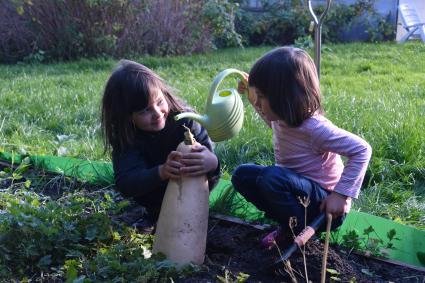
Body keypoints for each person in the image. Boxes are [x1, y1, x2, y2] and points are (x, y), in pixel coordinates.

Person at [233, 47, 372, 248]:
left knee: (271, 178)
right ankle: (288, 226)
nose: (257, 103)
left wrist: (340, 195)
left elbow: (362, 150)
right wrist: (251, 93)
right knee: (242, 176)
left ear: (284, 98)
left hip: (325, 205)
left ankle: (295, 233)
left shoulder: (315, 129)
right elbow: (267, 115)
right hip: (297, 194)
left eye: (261, 97)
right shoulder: (282, 119)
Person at [101, 60, 220, 232]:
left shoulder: (186, 120)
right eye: (144, 111)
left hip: (193, 191)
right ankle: (155, 214)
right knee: (145, 189)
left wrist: (212, 162)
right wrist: (161, 172)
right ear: (127, 117)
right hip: (155, 197)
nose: (157, 114)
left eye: (159, 102)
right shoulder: (126, 136)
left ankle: (195, 212)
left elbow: (210, 159)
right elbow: (126, 183)